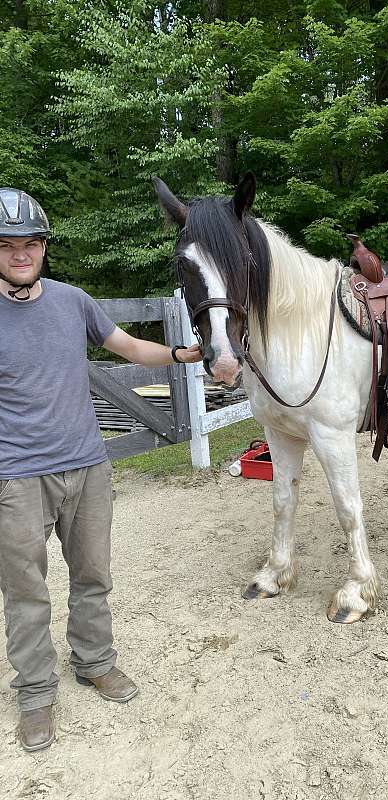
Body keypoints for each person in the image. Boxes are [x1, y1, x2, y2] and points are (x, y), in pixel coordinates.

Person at [0, 188, 201, 752]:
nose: (22, 255)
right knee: (25, 590)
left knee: (93, 575)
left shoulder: (72, 300)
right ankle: (36, 692)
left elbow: (133, 348)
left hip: (87, 466)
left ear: (44, 248)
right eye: (9, 246)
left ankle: (94, 661)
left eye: (31, 244)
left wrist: (183, 355)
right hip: (16, 476)